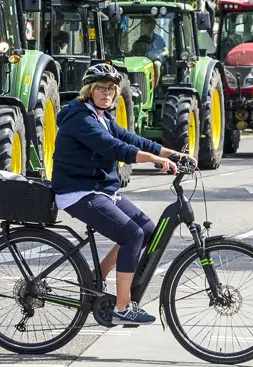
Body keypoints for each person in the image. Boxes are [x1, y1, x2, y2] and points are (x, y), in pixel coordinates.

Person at [51, 63, 187, 326]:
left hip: (99, 190)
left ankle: (96, 275)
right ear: (89, 90)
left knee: (147, 229)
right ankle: (122, 307)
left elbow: (133, 139)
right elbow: (114, 148)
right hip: (77, 191)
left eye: (111, 89)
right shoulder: (81, 118)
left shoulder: (102, 117)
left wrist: (173, 154)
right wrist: (152, 160)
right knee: (131, 234)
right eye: (101, 88)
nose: (107, 93)